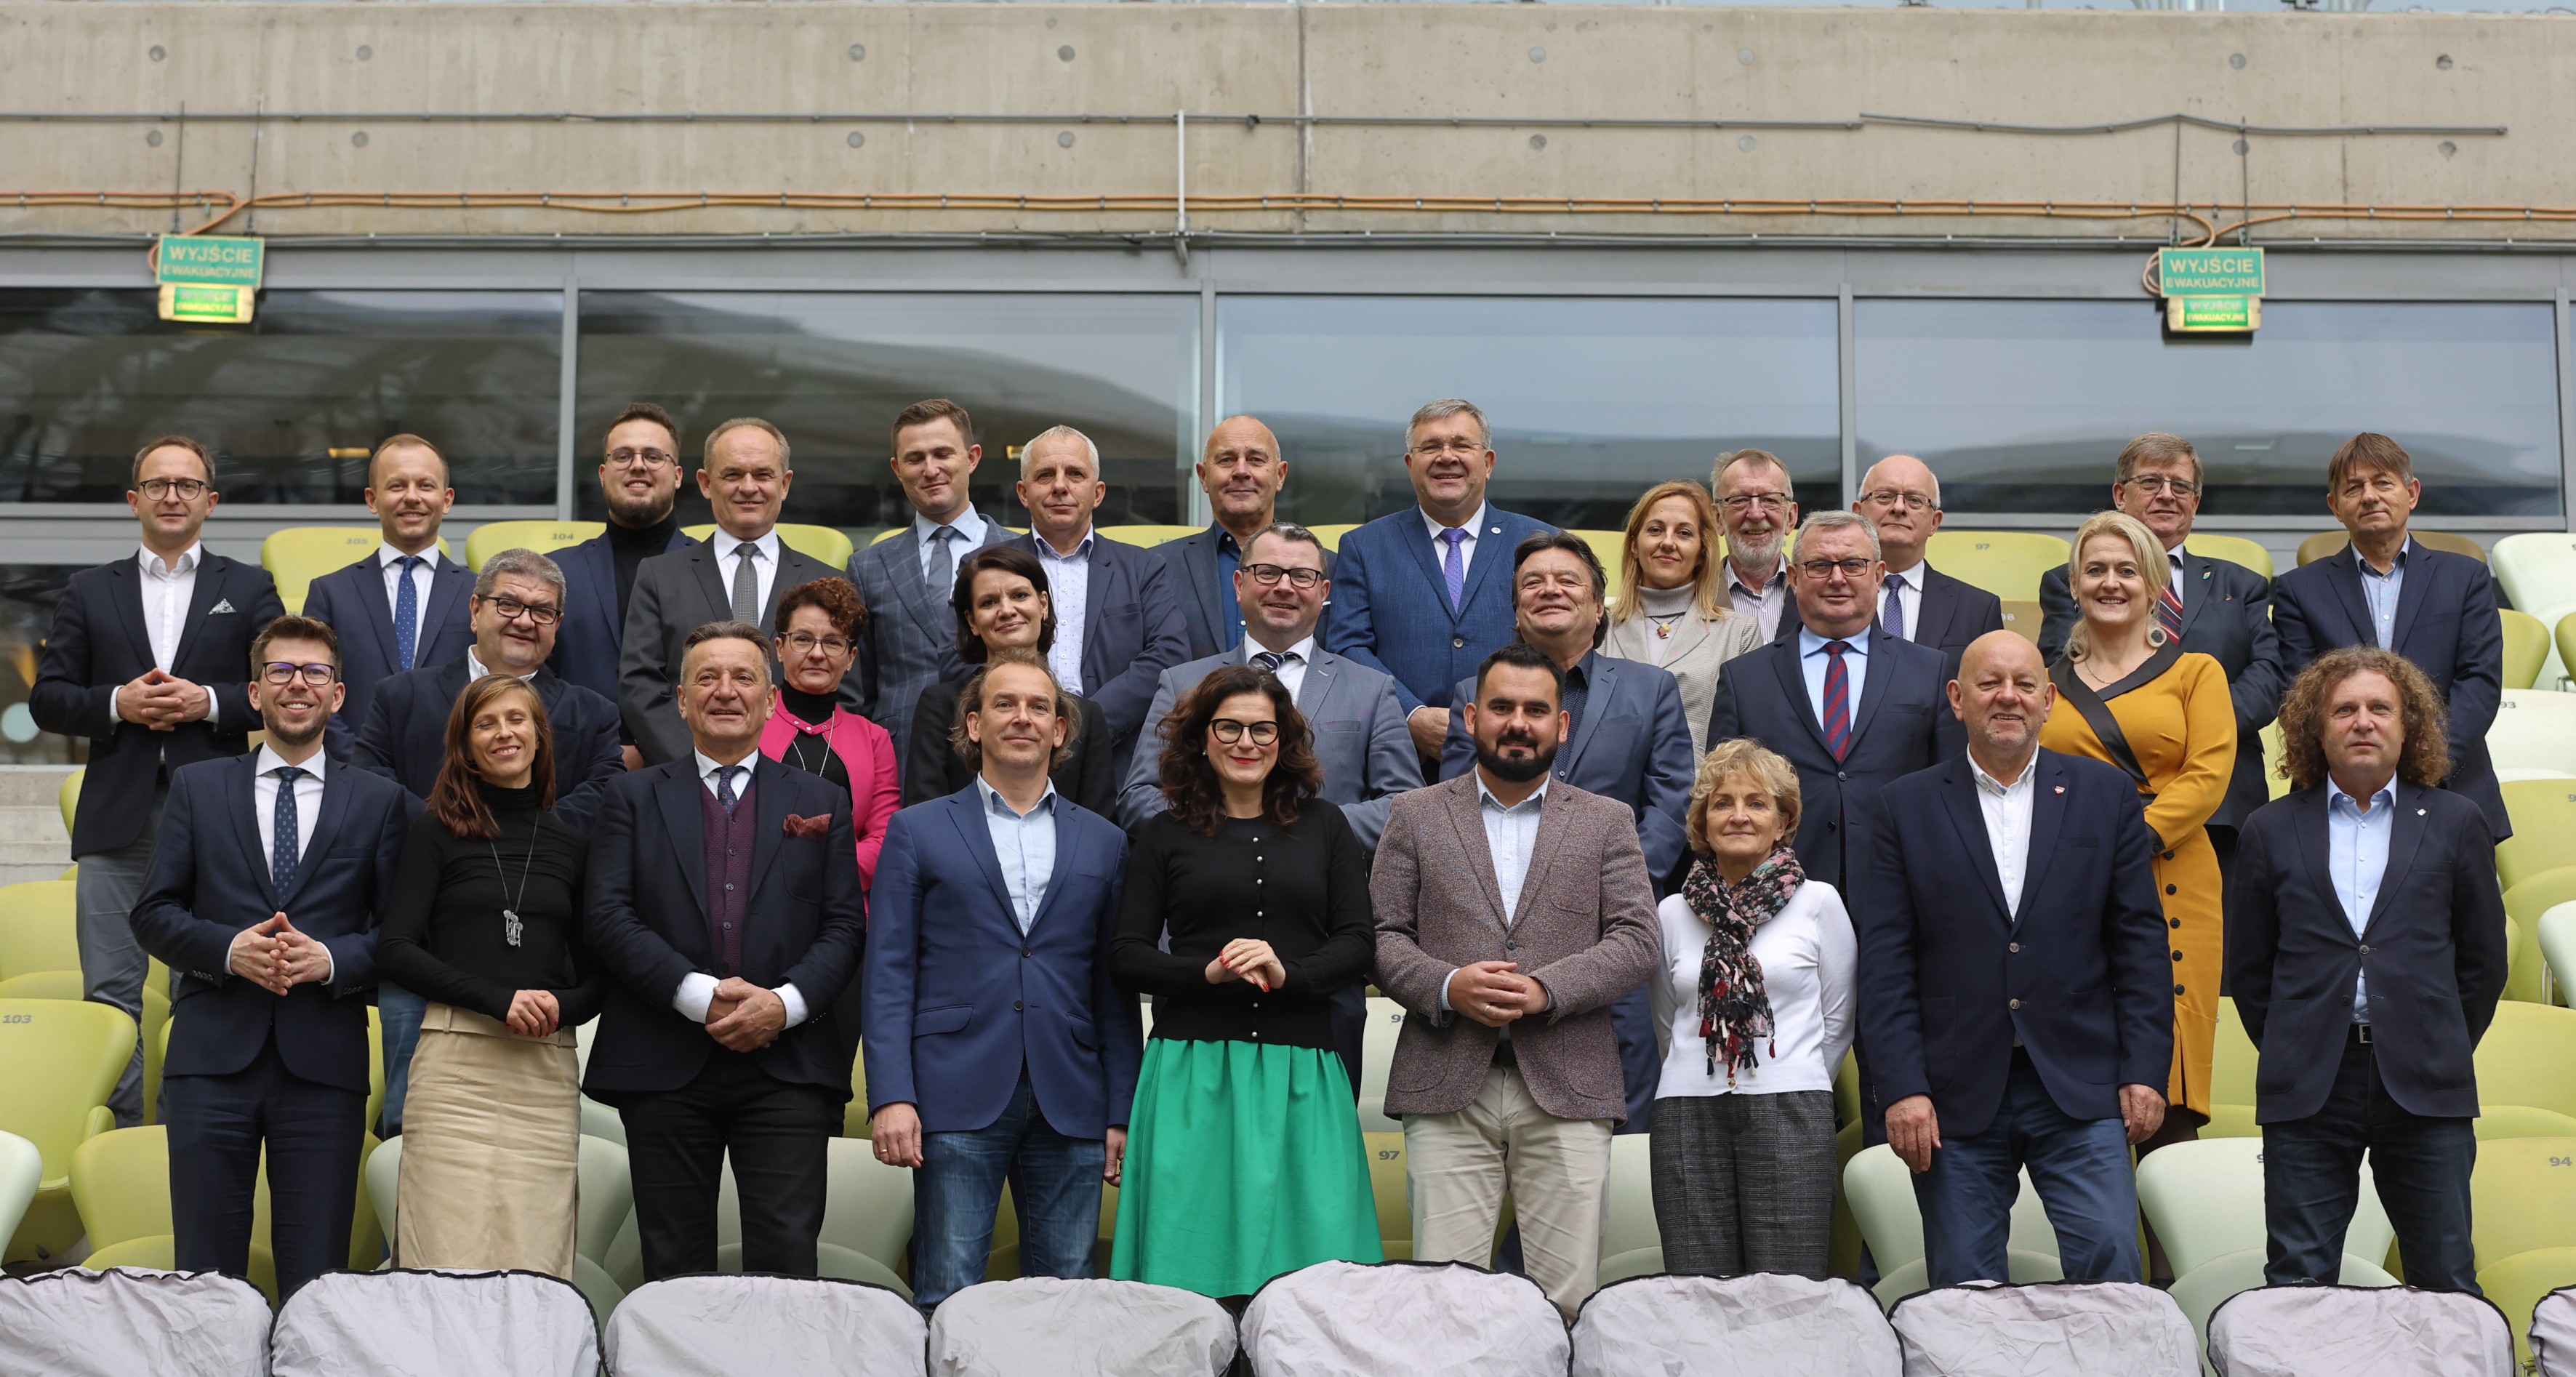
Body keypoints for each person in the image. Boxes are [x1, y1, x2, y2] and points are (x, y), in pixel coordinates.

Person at [1858, 630, 2173, 1288]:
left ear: (2048, 699)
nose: (2008, 697)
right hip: (1952, 1091)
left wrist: (2145, 1071)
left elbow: (2139, 947)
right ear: (1956, 698)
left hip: (2080, 1082)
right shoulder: (1902, 806)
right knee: (1963, 1288)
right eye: (1989, 683)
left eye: (2025, 684)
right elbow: (1886, 964)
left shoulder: (2105, 794)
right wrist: (1903, 1087)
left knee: (2111, 1265)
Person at [1373, 642, 1661, 1322]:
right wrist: (1448, 985)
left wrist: (1545, 990)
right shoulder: (1413, 814)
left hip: (1569, 1084)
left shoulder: (1607, 820)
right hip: (1446, 1084)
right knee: (1446, 1302)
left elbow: (1637, 940)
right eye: (1501, 707)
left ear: (1561, 725)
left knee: (1567, 1304)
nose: (1518, 723)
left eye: (1535, 710)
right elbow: (1382, 938)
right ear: (1471, 718)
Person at [129, 615, 414, 1298]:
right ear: (255, 693)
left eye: (314, 672)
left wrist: (331, 959)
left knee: (315, 1281)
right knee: (207, 1281)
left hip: (324, 1066)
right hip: (209, 1063)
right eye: (280, 671)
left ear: (337, 695)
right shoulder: (197, 787)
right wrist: (228, 951)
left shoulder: (381, 801)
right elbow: (153, 913)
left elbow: (402, 936)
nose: (297, 685)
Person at [583, 621, 867, 1281]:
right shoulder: (630, 796)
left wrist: (782, 1005)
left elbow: (844, 927)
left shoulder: (821, 799)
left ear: (771, 701)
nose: (725, 691)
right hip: (663, 1061)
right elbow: (608, 917)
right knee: (673, 1268)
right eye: (706, 678)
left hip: (787, 1064)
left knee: (787, 1266)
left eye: (743, 677)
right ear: (682, 702)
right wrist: (698, 996)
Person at [863, 652, 1144, 1314]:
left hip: (1071, 1096)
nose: (1022, 717)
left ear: (1059, 731)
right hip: (952, 1088)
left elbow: (1111, 989)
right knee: (947, 1292)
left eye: (1039, 707)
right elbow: (889, 972)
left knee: (1065, 1298)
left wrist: (1120, 1109)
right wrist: (892, 1096)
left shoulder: (1105, 842)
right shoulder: (916, 829)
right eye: (1004, 704)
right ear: (974, 724)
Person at [2228, 647, 2508, 1293]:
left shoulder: (2456, 822)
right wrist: (2297, 1041)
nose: (2362, 722)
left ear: (2407, 726)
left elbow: (2482, 964)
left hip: (2425, 1081)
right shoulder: (2268, 829)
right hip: (2308, 1084)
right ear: (2315, 728)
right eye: (2344, 710)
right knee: (2297, 1282)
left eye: (2379, 708)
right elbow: (2249, 969)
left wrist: (2434, 1038)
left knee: (2444, 1280)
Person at [30, 435, 285, 1128]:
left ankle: (186, 1134)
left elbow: (280, 684)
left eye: (187, 485)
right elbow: (48, 699)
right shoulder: (89, 589)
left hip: (218, 814)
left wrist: (210, 701)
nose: (173, 496)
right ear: (133, 499)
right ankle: (120, 1138)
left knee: (200, 985)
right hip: (117, 817)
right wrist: (119, 703)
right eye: (157, 484)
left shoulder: (249, 587)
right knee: (111, 992)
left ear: (211, 501)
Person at [1108, 665, 1382, 1297]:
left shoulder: (1326, 826)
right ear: (1200, 738)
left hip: (1302, 1074)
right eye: (1228, 727)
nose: (1246, 742)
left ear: (1283, 740)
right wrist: (1204, 972)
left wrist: (1290, 973)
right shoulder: (1164, 834)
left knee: (1316, 1278)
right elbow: (1126, 954)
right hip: (1192, 1076)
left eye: (1262, 729)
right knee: (1187, 1271)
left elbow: (1357, 942)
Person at [1122, 521, 1419, 1094]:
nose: (1284, 586)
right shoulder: (1182, 681)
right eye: (1267, 572)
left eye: (1302, 575)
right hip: (1201, 954)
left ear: (1324, 592)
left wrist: (1300, 830)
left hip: (1321, 952)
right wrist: (1230, 825)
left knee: (1315, 1130)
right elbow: (1138, 798)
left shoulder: (1370, 688)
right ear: (1238, 584)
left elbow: (1400, 808)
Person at [350, 547, 624, 1137]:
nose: (525, 620)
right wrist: (458, 823)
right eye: (509, 604)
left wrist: (521, 830)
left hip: (538, 971)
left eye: (542, 611)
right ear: (474, 609)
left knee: (530, 1142)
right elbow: (370, 786)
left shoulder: (593, 713)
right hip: (420, 956)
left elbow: (604, 795)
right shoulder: (400, 696)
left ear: (557, 625)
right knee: (412, 1133)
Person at [1439, 530, 1693, 1130]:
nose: (1549, 589)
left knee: (1622, 1100)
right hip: (1496, 937)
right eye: (1533, 582)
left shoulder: (1650, 689)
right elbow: (1453, 814)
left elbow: (1670, 803)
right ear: (1515, 611)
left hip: (1612, 933)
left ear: (1598, 606)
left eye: (1567, 580)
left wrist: (1608, 889)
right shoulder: (1472, 696)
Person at [377, 674, 606, 1277]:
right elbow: (395, 949)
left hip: (544, 1070)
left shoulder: (574, 845)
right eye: (486, 723)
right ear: (465, 746)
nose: (504, 733)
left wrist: (558, 1007)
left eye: (516, 719)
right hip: (454, 1069)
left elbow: (598, 978)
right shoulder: (434, 833)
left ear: (539, 736)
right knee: (439, 1259)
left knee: (536, 1262)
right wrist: (497, 1000)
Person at [2037, 511, 2235, 1148]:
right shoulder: (2043, 686)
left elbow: (2207, 774)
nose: (2110, 582)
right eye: (2094, 569)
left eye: (2127, 570)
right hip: (2068, 875)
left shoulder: (2196, 672)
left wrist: (2127, 843)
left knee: (2165, 1082)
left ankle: (2165, 1204)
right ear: (2073, 585)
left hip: (2172, 871)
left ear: (2154, 586)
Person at [2039, 433, 2285, 886]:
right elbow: (2060, 672)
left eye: (2181, 486)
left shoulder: (2243, 584)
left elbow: (2268, 679)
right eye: (2151, 482)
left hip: (2223, 804)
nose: (2167, 495)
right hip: (2101, 796)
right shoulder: (2072, 582)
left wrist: (2197, 722)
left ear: (2196, 502)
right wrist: (2147, 723)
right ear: (2120, 495)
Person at [1648, 739, 1854, 1281]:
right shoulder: (1671, 913)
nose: (1738, 815)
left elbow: (1837, 1021)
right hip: (1686, 1113)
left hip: (1792, 1111)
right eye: (1722, 803)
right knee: (1697, 1288)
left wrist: (1792, 1077)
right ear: (1702, 822)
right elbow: (1668, 1022)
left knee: (1788, 1288)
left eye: (1756, 803)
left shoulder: (1819, 903)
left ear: (1783, 822)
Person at [1707, 510, 1963, 902]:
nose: (1837, 578)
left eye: (1853, 564)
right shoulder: (1744, 678)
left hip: (1903, 892)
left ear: (1878, 575)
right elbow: (1721, 797)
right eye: (1820, 566)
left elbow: (1952, 793)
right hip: (1776, 899)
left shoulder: (1931, 671)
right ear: (1794, 578)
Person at [2273, 432, 2508, 845]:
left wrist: (2424, 762)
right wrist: (2364, 769)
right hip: (2337, 792)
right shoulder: (2299, 590)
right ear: (2335, 507)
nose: (2370, 497)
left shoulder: (2466, 578)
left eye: (2383, 483)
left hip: (2451, 788)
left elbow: (2479, 682)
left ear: (2411, 493)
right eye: (2353, 488)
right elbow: (2302, 695)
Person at [1323, 398, 1554, 763]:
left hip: (1516, 754)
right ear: (1410, 464)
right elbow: (1348, 647)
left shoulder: (1540, 542)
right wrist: (1410, 715)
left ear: (1488, 463)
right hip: (1401, 759)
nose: (1447, 457)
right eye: (1430, 447)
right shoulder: (1365, 546)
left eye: (1462, 445)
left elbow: (1560, 642)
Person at [619, 417, 855, 766]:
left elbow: (847, 693)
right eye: (732, 475)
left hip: (799, 777)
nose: (748, 487)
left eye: (763, 475)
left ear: (785, 484)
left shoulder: (827, 581)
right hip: (686, 776)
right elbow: (640, 688)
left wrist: (784, 771)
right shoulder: (659, 577)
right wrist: (703, 763)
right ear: (705, 483)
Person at [1003, 425, 1189, 774]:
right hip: (1012, 755)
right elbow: (960, 657)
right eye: (1045, 475)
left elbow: (1170, 653)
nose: (1060, 486)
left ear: (1098, 492)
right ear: (1023, 493)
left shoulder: (1142, 567)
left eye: (1075, 474)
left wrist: (1086, 724)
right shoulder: (987, 568)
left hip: (1114, 760)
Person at [902, 546, 1120, 816]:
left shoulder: (1087, 715)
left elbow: (1100, 826)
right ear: (972, 621)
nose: (1006, 610)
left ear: (1043, 605)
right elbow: (922, 816)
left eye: (1019, 596)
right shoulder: (940, 705)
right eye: (988, 603)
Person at [848, 398, 1013, 755]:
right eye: (915, 458)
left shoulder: (1022, 554)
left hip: (1004, 745)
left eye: (942, 454)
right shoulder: (867, 567)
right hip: (901, 751)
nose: (930, 469)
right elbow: (859, 689)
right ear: (897, 469)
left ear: (972, 458)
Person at [302, 434, 474, 747]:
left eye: (425, 485)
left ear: (447, 499)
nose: (412, 497)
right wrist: (357, 763)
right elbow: (313, 687)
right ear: (372, 500)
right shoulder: (330, 593)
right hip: (352, 768)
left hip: (454, 768)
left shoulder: (478, 594)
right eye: (397, 486)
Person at [550, 402, 697, 767]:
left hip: (688, 771)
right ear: (603, 474)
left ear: (677, 475)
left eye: (653, 456)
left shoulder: (715, 572)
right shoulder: (553, 573)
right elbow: (536, 679)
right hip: (575, 771)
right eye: (623, 456)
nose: (638, 465)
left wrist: (653, 749)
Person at [1600, 481, 1761, 757]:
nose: (1667, 542)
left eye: (1684, 533)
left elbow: (1748, 743)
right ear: (1635, 545)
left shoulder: (1739, 633)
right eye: (1655, 530)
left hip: (1699, 784)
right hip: (1611, 783)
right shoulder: (1598, 626)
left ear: (1702, 553)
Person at [761, 579, 902, 891]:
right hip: (757, 897)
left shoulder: (874, 739)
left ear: (850, 658)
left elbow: (883, 837)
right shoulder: (749, 725)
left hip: (844, 899)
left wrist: (823, 870)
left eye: (833, 643)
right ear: (780, 649)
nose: (817, 654)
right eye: (803, 640)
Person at [1158, 416, 1334, 661]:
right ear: (1203, 477)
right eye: (1226, 460)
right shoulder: (1156, 568)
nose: (1241, 471)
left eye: (1256, 460)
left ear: (1280, 475)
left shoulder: (1334, 568)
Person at [1853, 454, 2004, 683]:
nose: (1899, 508)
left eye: (1915, 500)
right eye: (1884, 497)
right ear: (1858, 514)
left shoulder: (1977, 609)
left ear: (1935, 522)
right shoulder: (1821, 595)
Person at [1712, 449, 1800, 643]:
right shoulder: (1693, 598)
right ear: (1718, 518)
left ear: (1791, 517)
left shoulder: (1818, 592)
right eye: (1739, 500)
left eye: (1769, 500)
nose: (1755, 514)